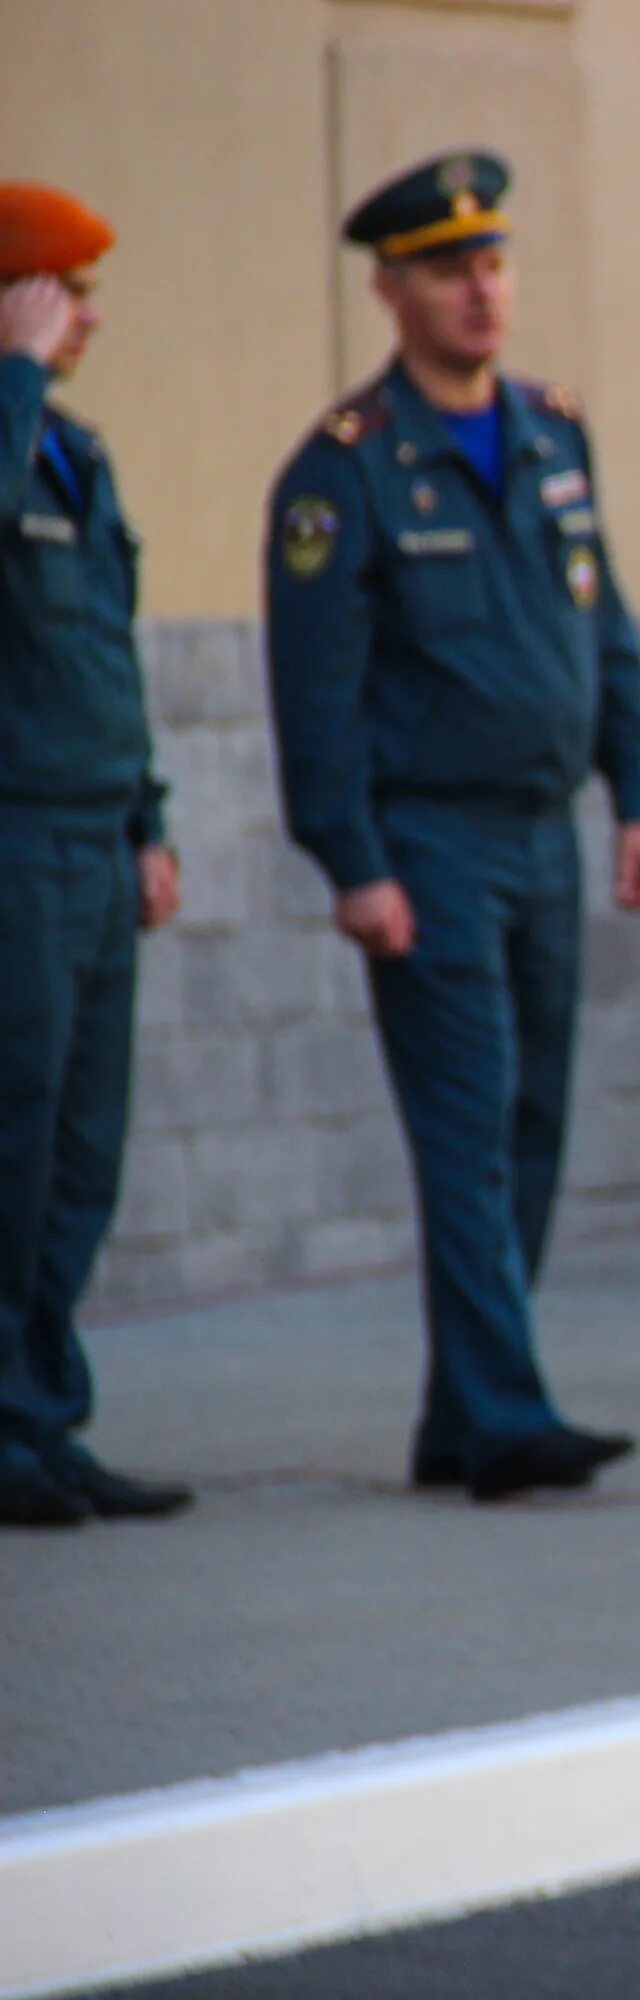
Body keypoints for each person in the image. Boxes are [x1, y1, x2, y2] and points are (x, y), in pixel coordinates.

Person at [263, 152, 640, 1502]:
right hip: (428, 845)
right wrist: (351, 858)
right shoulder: (346, 472)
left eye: (492, 262)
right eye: (448, 269)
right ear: (389, 289)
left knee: (535, 1119)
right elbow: (312, 691)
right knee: (466, 1123)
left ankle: (465, 1412)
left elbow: (601, 627)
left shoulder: (555, 431)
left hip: (545, 829)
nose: (481, 290)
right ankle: (504, 1413)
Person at [0, 186, 189, 1529]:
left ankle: (44, 1413)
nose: (90, 322)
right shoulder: (15, 432)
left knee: (80, 1145)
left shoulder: (76, 451)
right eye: (66, 294)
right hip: (12, 838)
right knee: (10, 1143)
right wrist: (9, 376)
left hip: (92, 833)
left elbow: (104, 655)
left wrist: (150, 822)